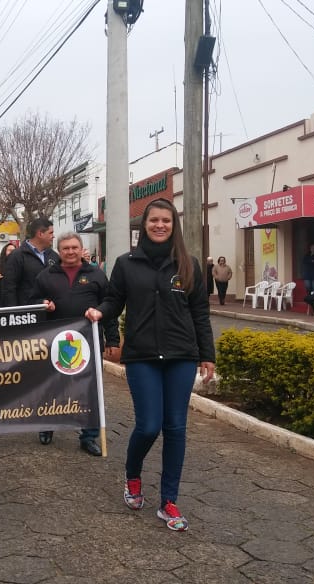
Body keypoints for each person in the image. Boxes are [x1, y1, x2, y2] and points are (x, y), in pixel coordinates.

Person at [88, 198, 215, 532]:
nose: (160, 225)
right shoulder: (126, 263)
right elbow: (115, 300)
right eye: (154, 220)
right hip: (143, 356)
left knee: (175, 428)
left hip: (181, 356)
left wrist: (208, 354)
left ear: (174, 226)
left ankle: (169, 501)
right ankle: (132, 476)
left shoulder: (189, 264)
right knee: (148, 426)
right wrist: (100, 311)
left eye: (166, 221)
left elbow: (200, 312)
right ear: (143, 225)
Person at [34, 232, 109, 455]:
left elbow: (109, 304)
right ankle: (47, 426)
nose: (70, 252)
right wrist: (42, 303)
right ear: (59, 250)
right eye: (65, 248)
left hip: (89, 340)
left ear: (80, 248)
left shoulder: (96, 274)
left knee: (90, 388)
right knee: (52, 386)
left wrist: (112, 338)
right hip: (55, 341)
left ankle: (89, 436)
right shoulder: (45, 276)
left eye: (74, 247)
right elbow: (31, 301)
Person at [3, 218, 58, 307]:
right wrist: (14, 313)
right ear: (40, 233)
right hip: (27, 313)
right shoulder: (17, 256)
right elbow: (9, 288)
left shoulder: (54, 256)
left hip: (51, 312)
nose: (53, 236)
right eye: (51, 233)